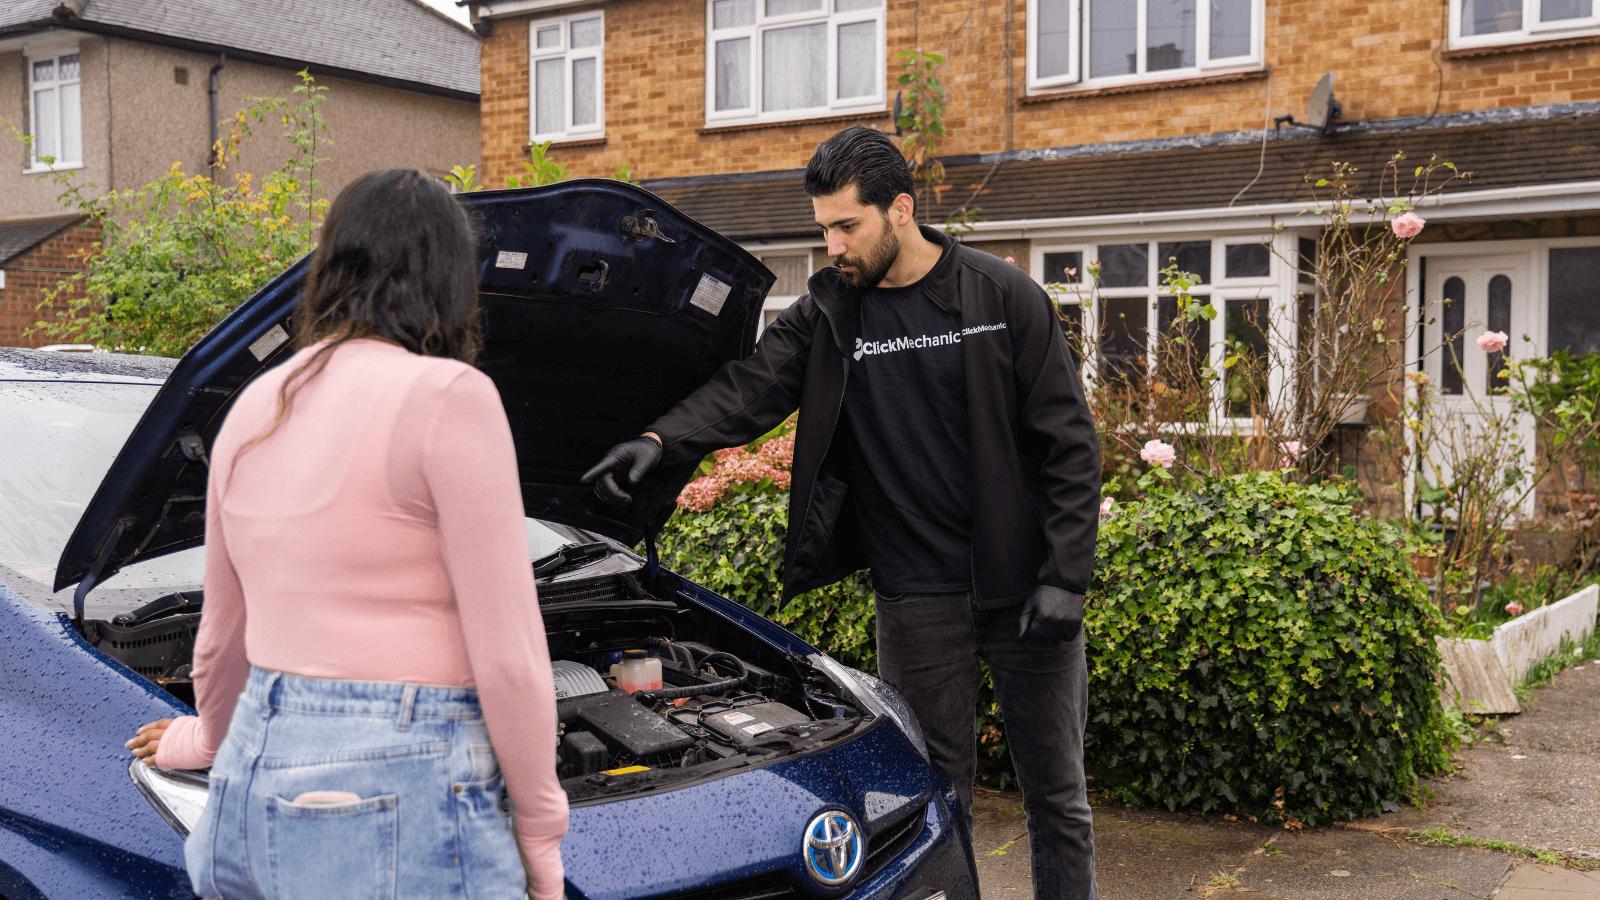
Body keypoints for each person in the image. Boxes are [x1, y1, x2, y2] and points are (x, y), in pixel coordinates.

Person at [582, 126, 1102, 898]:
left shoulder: (1001, 297)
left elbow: (1069, 444)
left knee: (1058, 796)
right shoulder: (832, 313)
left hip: (1026, 587)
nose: (831, 245)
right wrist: (660, 440)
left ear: (900, 209)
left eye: (845, 226)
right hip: (915, 595)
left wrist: (1066, 576)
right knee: (938, 788)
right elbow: (750, 388)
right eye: (822, 227)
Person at [127, 168, 567, 899]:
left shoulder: (257, 403)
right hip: (401, 776)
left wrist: (203, 739)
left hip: (252, 781)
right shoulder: (451, 398)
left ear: (330, 267)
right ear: (450, 279)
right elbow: (510, 652)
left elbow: (221, 634)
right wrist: (541, 831)